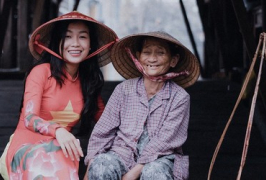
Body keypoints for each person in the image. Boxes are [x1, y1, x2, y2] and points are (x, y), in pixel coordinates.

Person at [0, 11, 118, 180]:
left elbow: (108, 123)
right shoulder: (41, 72)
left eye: (82, 37)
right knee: (58, 155)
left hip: (63, 152)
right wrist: (58, 130)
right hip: (26, 147)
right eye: (67, 37)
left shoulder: (89, 82)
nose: (75, 44)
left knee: (66, 154)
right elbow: (28, 118)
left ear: (91, 44)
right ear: (56, 42)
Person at [84, 31, 200, 180]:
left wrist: (134, 173)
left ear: (173, 60)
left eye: (160, 53)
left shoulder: (179, 97)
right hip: (121, 154)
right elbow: (103, 132)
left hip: (160, 159)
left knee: (154, 173)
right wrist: (91, 167)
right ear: (138, 56)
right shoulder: (124, 89)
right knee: (101, 166)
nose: (152, 58)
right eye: (147, 52)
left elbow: (164, 142)